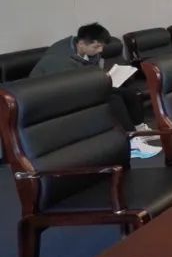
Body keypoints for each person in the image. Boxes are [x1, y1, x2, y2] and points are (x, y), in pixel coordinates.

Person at [30, 22, 157, 157]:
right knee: (113, 99)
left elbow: (90, 73)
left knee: (129, 93)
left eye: (101, 46)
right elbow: (67, 86)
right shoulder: (59, 60)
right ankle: (131, 143)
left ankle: (140, 130)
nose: (100, 50)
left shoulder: (88, 51)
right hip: (52, 96)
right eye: (96, 46)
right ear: (81, 43)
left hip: (80, 86)